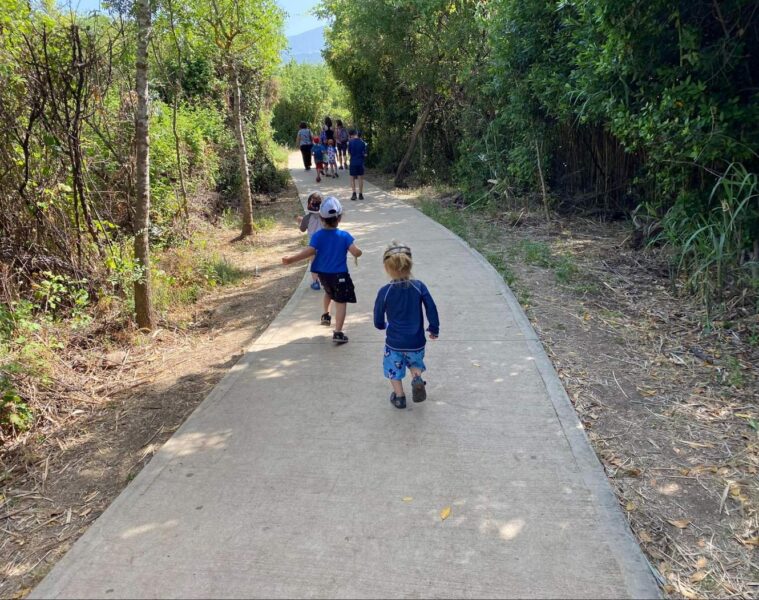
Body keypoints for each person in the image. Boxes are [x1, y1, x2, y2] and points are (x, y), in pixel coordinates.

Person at [282, 197, 362, 344]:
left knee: (328, 293)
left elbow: (309, 251)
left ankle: (326, 315)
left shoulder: (317, 236)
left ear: (321, 218)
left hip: (323, 275)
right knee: (341, 302)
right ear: (339, 218)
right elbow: (355, 251)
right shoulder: (344, 236)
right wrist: (358, 253)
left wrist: (291, 259)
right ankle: (338, 333)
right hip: (340, 275)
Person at [373, 242, 439, 409]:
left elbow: (378, 312)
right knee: (415, 364)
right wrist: (434, 327)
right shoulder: (419, 286)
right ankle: (417, 378)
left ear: (387, 268)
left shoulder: (385, 291)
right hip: (416, 341)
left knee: (393, 369)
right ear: (410, 265)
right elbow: (431, 307)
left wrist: (380, 324)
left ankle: (399, 397)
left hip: (394, 342)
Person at [295, 192, 323, 290]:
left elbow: (302, 229)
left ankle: (315, 282)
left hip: (312, 243)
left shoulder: (307, 218)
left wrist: (300, 222)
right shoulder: (324, 216)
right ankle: (326, 280)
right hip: (324, 241)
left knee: (314, 262)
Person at [348, 129, 367, 200]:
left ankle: (354, 194)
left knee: (352, 178)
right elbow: (365, 154)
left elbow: (349, 153)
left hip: (353, 162)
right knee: (360, 178)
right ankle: (360, 194)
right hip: (360, 163)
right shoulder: (363, 143)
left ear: (355, 134)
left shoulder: (350, 142)